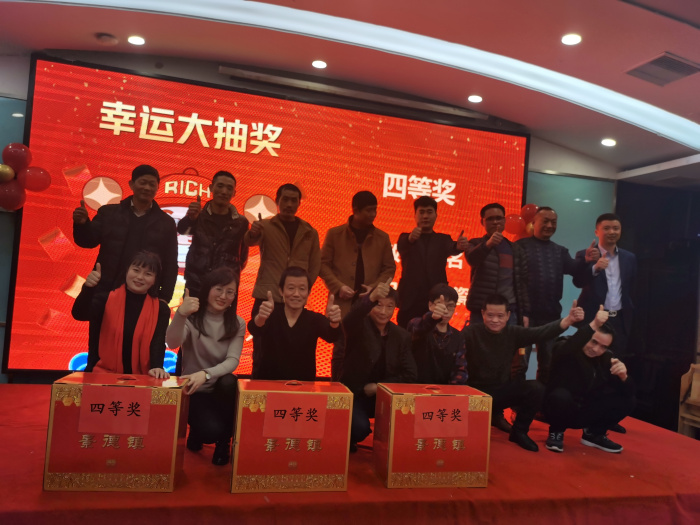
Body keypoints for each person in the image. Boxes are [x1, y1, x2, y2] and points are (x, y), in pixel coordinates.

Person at [455, 294, 584, 452]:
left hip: (501, 392)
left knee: (536, 388)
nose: (495, 320)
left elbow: (541, 332)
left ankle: (519, 432)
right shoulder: (470, 332)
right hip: (474, 394)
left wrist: (568, 320)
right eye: (490, 315)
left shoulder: (513, 332)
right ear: (483, 314)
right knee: (470, 439)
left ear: (508, 315)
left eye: (500, 316)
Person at [166, 267, 245, 466]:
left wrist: (206, 374)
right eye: (219, 289)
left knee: (230, 381)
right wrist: (180, 314)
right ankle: (199, 432)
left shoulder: (237, 323)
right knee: (209, 431)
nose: (223, 296)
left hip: (219, 389)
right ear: (208, 289)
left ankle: (223, 443)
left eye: (229, 292)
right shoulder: (192, 318)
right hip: (194, 389)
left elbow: (233, 361)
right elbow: (172, 342)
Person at [72, 164, 178, 305]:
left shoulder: (166, 223)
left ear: (157, 188)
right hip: (106, 289)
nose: (147, 188)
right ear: (131, 184)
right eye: (143, 182)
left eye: (152, 184)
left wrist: (164, 297)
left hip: (144, 294)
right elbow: (87, 241)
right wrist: (82, 224)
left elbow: (170, 264)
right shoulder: (108, 213)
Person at [244, 183, 321, 375]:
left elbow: (315, 266)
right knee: (261, 352)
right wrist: (253, 232)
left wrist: (301, 291)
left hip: (294, 302)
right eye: (285, 199)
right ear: (277, 201)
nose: (289, 204)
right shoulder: (265, 226)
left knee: (294, 352)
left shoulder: (309, 232)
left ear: (299, 203)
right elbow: (249, 241)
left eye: (294, 200)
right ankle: (256, 389)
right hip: (267, 297)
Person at [515, 207, 599, 384]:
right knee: (519, 365)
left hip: (551, 317)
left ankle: (542, 400)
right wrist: (520, 312)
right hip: (525, 318)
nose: (549, 225)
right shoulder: (520, 247)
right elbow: (515, 281)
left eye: (553, 222)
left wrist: (586, 260)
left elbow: (573, 268)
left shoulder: (560, 251)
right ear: (534, 222)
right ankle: (517, 400)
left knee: (547, 365)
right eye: (545, 221)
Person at [320, 190, 396, 379]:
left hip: (371, 306)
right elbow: (322, 265)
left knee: (370, 351)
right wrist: (338, 286)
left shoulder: (382, 237)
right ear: (355, 209)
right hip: (343, 305)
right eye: (369, 210)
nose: (373, 214)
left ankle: (366, 391)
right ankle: (337, 390)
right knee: (341, 351)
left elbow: (389, 268)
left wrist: (374, 289)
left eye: (375, 210)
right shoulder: (335, 234)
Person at [543, 306, 635, 454]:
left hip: (585, 411)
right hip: (559, 408)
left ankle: (594, 434)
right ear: (586, 335)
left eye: (603, 347)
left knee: (627, 400)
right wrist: (594, 324)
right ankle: (556, 432)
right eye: (593, 342)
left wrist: (624, 377)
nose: (596, 349)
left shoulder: (606, 358)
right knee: (560, 396)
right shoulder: (565, 347)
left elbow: (628, 394)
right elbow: (566, 349)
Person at [341, 279, 417, 451]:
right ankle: (347, 438)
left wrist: (379, 387)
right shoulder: (359, 327)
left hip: (385, 397)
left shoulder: (401, 336)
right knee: (359, 427)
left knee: (412, 422)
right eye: (378, 305)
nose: (383, 312)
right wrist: (370, 299)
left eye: (389, 306)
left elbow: (410, 375)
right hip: (355, 395)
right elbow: (349, 320)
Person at [71, 250, 171, 378]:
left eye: (148, 274)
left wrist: (157, 367)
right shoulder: (105, 300)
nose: (140, 277)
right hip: (101, 376)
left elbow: (158, 341)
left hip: (143, 379)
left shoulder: (161, 309)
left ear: (155, 280)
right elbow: (79, 314)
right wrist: (88, 288)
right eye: (136, 270)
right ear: (127, 271)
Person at [248, 267, 342, 381]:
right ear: (281, 291)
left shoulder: (314, 319)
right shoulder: (270, 314)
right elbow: (254, 329)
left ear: (308, 292)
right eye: (291, 288)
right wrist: (261, 317)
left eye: (302, 289)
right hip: (269, 384)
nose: (296, 294)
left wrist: (334, 322)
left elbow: (332, 335)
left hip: (303, 385)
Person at [396, 196, 467, 327]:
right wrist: (411, 238)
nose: (425, 216)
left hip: (436, 300)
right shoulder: (405, 237)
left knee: (435, 334)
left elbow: (452, 247)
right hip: (409, 300)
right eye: (421, 212)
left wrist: (458, 246)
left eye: (429, 212)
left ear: (436, 215)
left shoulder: (443, 239)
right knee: (405, 334)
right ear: (415, 215)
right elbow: (404, 245)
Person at [176, 171, 249, 298]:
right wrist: (191, 218)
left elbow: (242, 259)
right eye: (220, 186)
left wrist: (228, 276)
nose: (224, 191)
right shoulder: (199, 215)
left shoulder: (241, 222)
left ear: (234, 193)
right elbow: (182, 230)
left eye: (229, 188)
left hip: (225, 289)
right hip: (195, 285)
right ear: (211, 188)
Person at [574, 213, 637, 359]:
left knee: (614, 362)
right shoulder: (586, 254)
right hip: (593, 318)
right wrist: (595, 268)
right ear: (597, 232)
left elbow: (632, 289)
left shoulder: (629, 258)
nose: (612, 232)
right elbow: (578, 282)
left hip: (619, 320)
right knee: (587, 360)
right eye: (606, 228)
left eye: (616, 228)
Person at [464, 203, 529, 326]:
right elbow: (472, 259)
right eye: (490, 219)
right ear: (482, 222)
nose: (495, 222)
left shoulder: (516, 249)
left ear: (504, 221)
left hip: (509, 311)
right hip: (481, 310)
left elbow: (522, 283)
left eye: (498, 218)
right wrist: (488, 244)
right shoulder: (475, 243)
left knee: (509, 340)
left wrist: (525, 313)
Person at [407, 283, 466, 385]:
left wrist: (451, 391)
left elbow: (460, 370)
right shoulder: (416, 324)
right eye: (440, 305)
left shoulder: (458, 336)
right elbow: (421, 326)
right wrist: (433, 318)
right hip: (416, 388)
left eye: (450, 306)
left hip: (445, 391)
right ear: (430, 305)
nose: (445, 311)